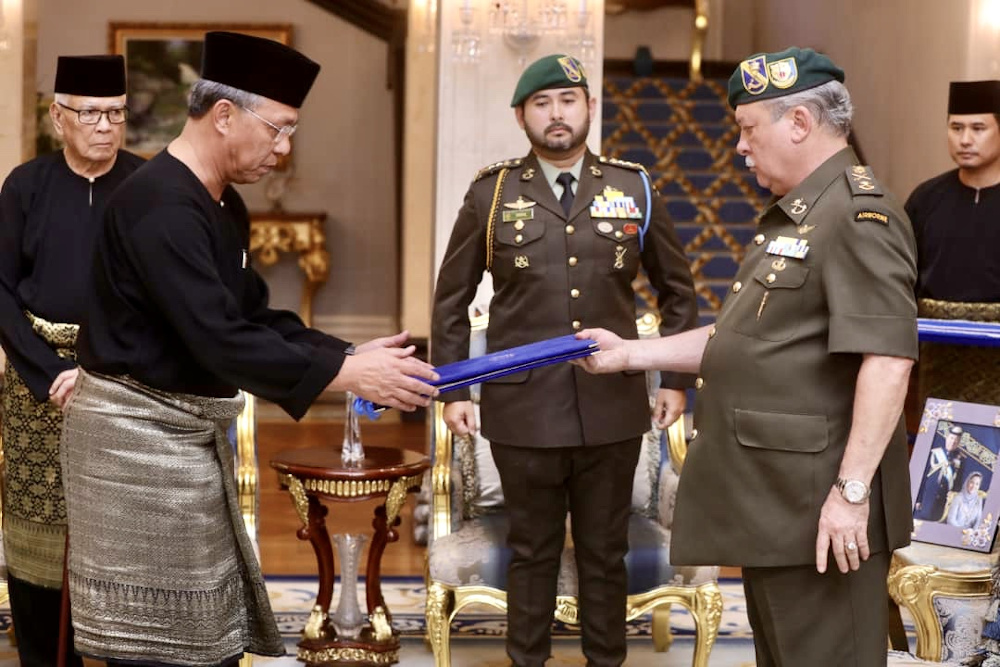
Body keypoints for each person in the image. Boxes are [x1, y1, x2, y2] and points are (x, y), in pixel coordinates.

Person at [59, 32, 438, 666]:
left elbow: (253, 314)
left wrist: (348, 352)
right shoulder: (159, 204)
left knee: (201, 635)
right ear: (225, 114)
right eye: (280, 128)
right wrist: (347, 374)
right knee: (152, 648)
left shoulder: (221, 203)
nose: (285, 148)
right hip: (134, 448)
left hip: (180, 438)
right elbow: (218, 338)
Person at [574, 47, 918, 666]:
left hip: (819, 511)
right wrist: (629, 354)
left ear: (799, 123)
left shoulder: (859, 215)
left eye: (747, 128)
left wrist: (852, 494)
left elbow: (888, 360)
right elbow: (739, 341)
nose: (738, 145)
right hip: (776, 507)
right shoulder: (797, 219)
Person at [431, 54, 698, 666]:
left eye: (568, 100)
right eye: (542, 103)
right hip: (522, 407)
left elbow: (678, 291)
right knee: (532, 552)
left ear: (589, 108)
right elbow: (451, 299)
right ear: (522, 115)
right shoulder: (491, 193)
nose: (557, 114)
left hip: (612, 407)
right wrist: (452, 391)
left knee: (606, 553)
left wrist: (677, 381)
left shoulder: (634, 188)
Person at [0, 54, 144, 667]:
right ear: (59, 117)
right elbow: (1, 289)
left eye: (115, 113)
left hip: (128, 382)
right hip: (39, 384)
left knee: (123, 534)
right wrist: (49, 371)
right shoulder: (25, 186)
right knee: (38, 533)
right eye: (90, 114)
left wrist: (105, 370)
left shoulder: (149, 186)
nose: (105, 126)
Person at [905, 79, 1000, 408]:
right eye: (956, 127)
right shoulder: (926, 199)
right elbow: (905, 275)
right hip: (937, 350)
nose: (965, 139)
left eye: (978, 128)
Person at [914, 425, 965, 521]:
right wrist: (919, 499)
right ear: (947, 437)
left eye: (957, 440)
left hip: (942, 504)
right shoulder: (934, 453)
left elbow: (958, 483)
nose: (953, 442)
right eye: (952, 438)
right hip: (925, 500)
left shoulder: (960, 460)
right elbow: (923, 478)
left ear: (959, 442)